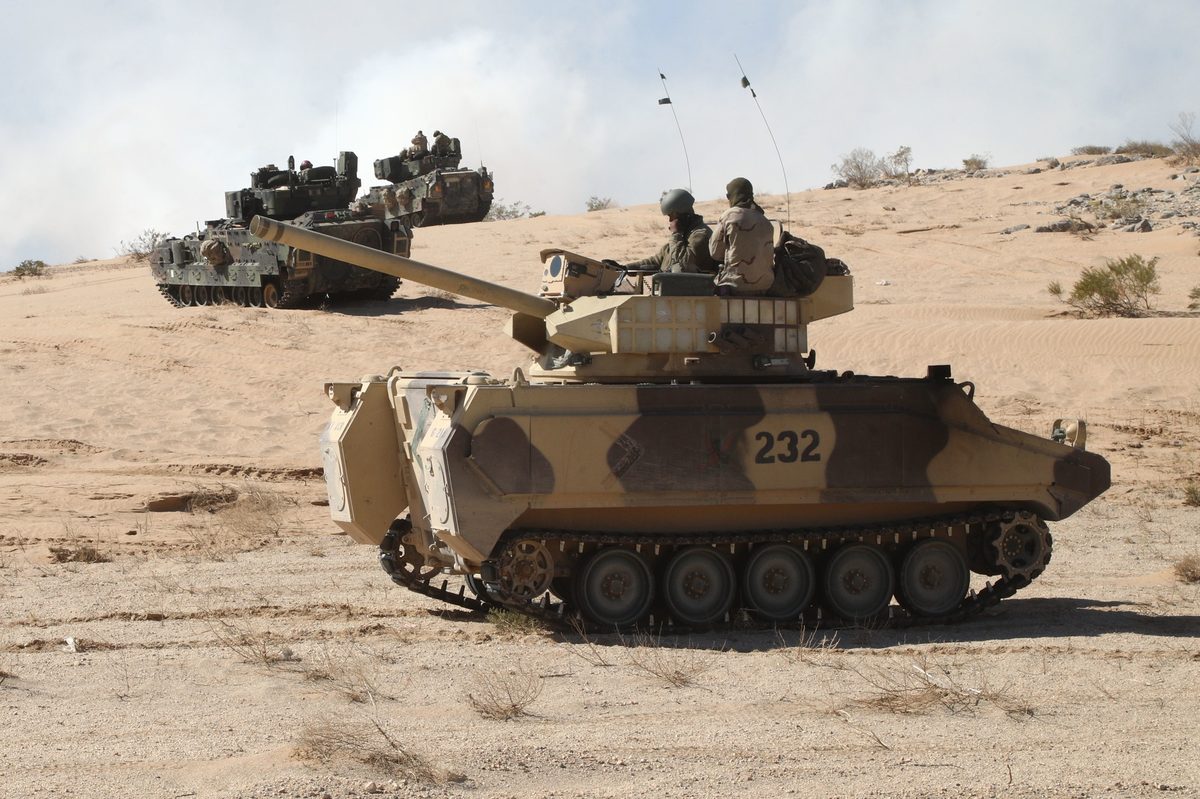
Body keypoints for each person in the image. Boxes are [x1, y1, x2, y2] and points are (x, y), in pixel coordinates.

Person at [620, 189, 718, 275]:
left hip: (690, 292)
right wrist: (625, 268)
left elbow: (683, 264)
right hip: (671, 291)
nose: (670, 220)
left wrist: (676, 234)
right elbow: (655, 261)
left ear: (683, 214)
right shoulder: (683, 236)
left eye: (672, 216)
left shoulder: (701, 235)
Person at [709, 177, 775, 295]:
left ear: (733, 195)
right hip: (765, 286)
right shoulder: (765, 220)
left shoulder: (730, 216)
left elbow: (714, 252)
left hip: (735, 285)